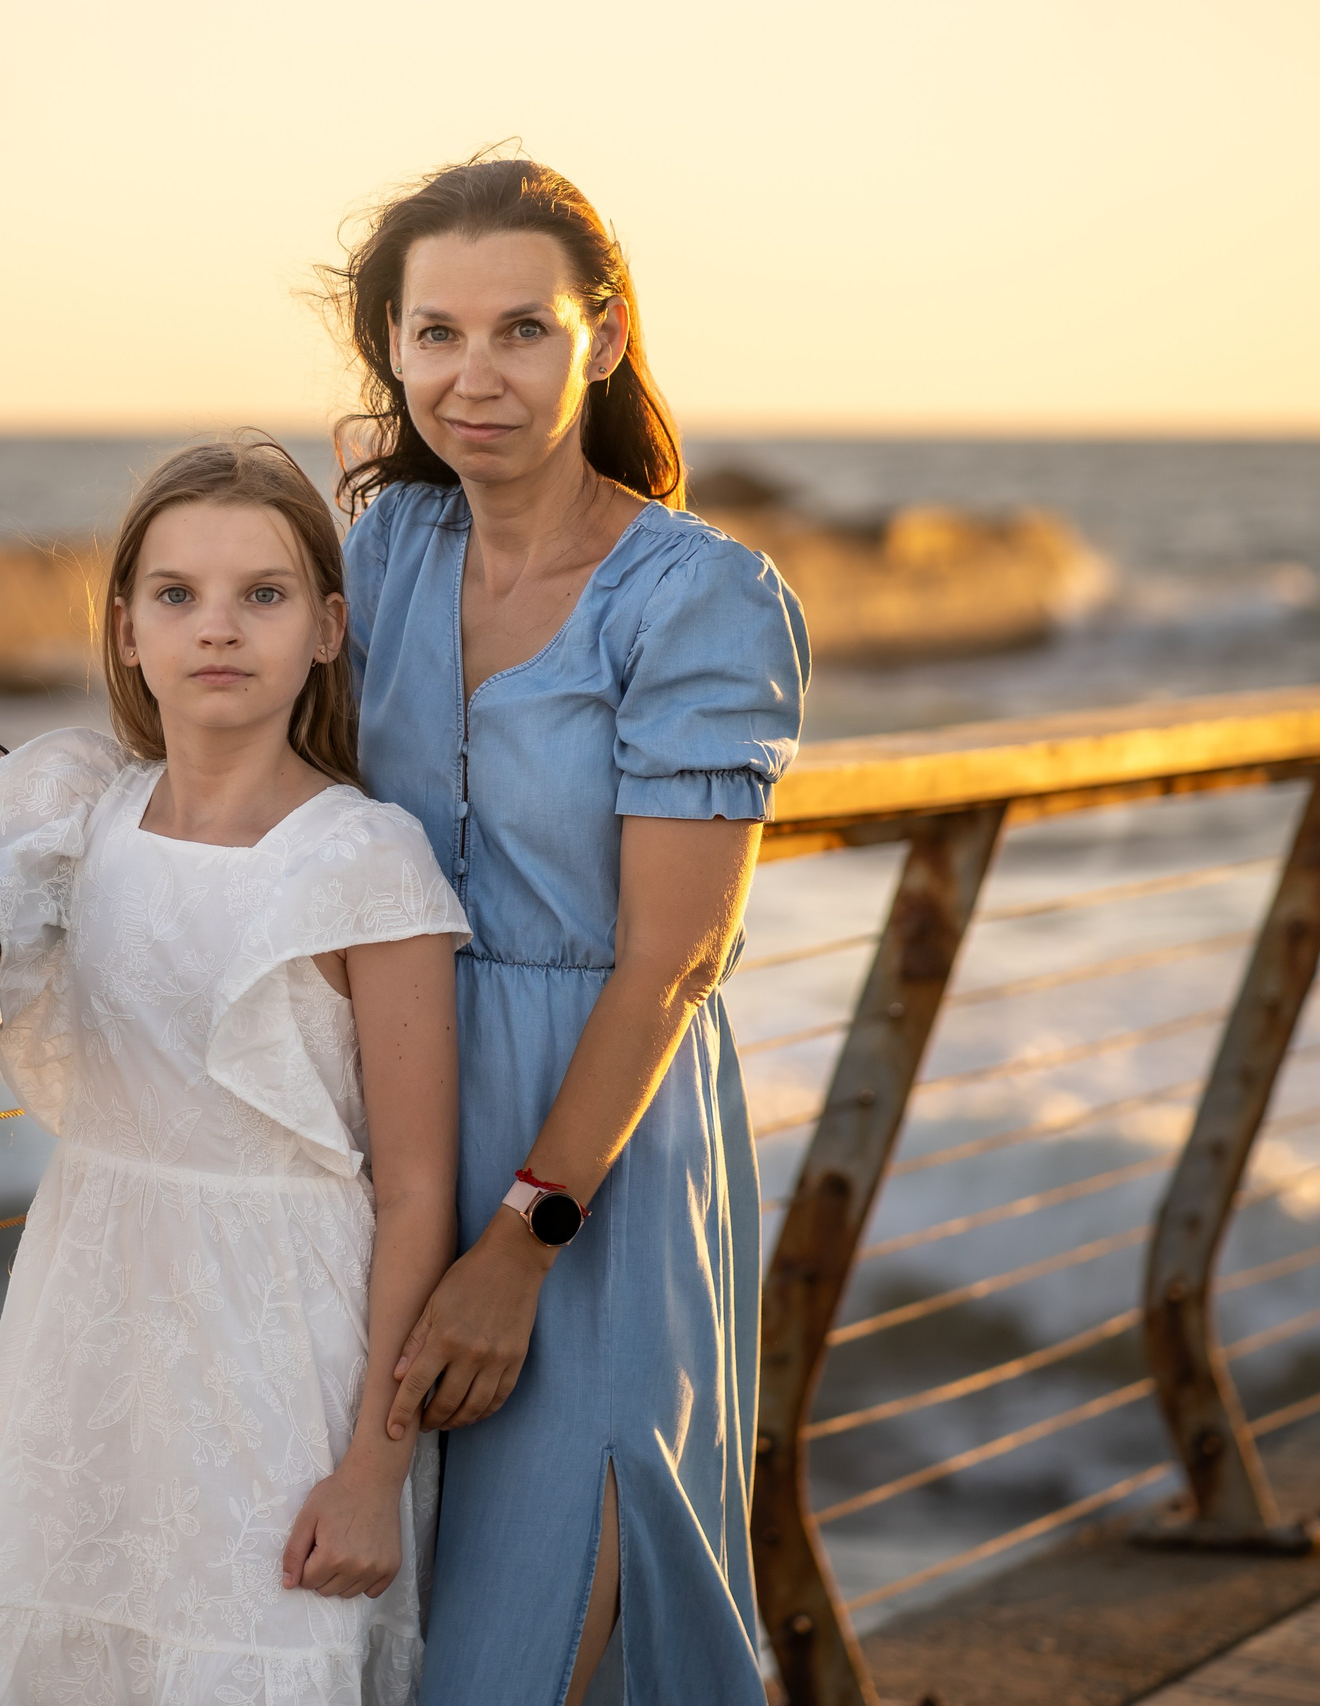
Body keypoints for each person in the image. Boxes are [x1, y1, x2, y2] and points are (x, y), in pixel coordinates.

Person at [0, 438, 471, 1705]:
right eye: (176, 593)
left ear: (326, 627)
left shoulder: (368, 859)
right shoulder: (81, 803)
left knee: (251, 1652)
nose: (218, 627)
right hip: (87, 1319)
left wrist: (373, 1467)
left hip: (281, 1351)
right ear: (127, 629)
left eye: (262, 593)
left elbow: (419, 1190)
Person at [336, 157, 809, 1704]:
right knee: (397, 1625)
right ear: (392, 346)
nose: (473, 377)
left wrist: (519, 1245)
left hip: (596, 1154)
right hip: (398, 1123)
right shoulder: (385, 552)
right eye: (436, 333)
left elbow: (673, 960)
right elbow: (214, 757)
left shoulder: (702, 598)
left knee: (534, 1635)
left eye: (522, 330)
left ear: (600, 337)